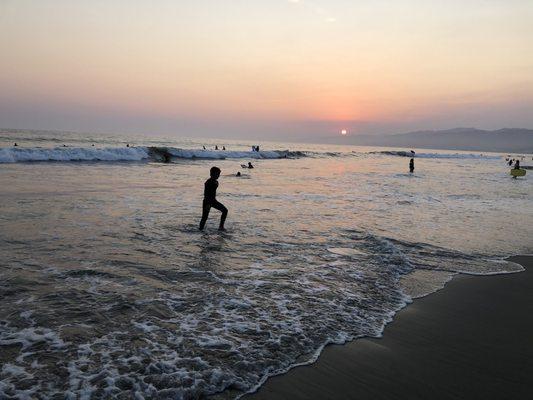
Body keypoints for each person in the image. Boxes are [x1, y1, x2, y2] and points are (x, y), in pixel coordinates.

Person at [199, 166, 228, 231]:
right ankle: (200, 229)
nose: (218, 176)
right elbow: (206, 194)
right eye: (217, 174)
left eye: (219, 174)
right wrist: (208, 204)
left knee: (225, 210)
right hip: (207, 202)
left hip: (213, 201)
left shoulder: (216, 182)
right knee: (204, 217)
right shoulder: (208, 182)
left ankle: (221, 227)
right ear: (212, 174)